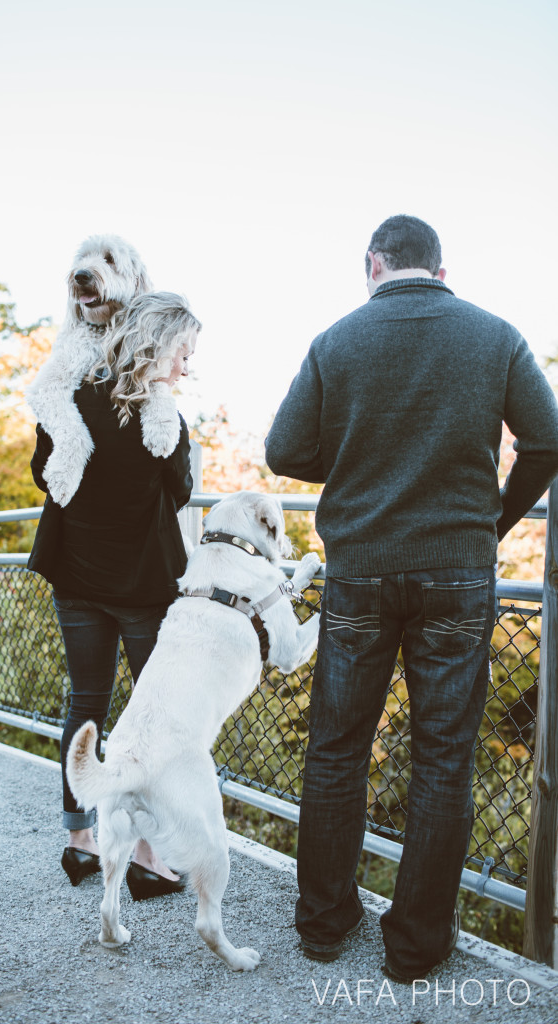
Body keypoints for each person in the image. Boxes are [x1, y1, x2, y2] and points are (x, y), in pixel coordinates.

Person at [265, 215, 558, 982]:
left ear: (373, 264)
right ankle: (416, 947)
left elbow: (283, 449)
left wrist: (361, 458)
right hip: (457, 572)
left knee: (335, 750)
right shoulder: (492, 335)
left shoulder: (336, 340)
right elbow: (548, 438)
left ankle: (324, 926)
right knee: (442, 759)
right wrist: (495, 518)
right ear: (439, 268)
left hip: (358, 569)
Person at [29, 291, 201, 897]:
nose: (186, 368)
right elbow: (180, 490)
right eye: (184, 353)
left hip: (75, 576)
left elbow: (43, 474)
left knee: (88, 704)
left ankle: (80, 842)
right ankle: (150, 855)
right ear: (159, 349)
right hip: (142, 586)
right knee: (148, 717)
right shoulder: (165, 420)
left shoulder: (70, 401)